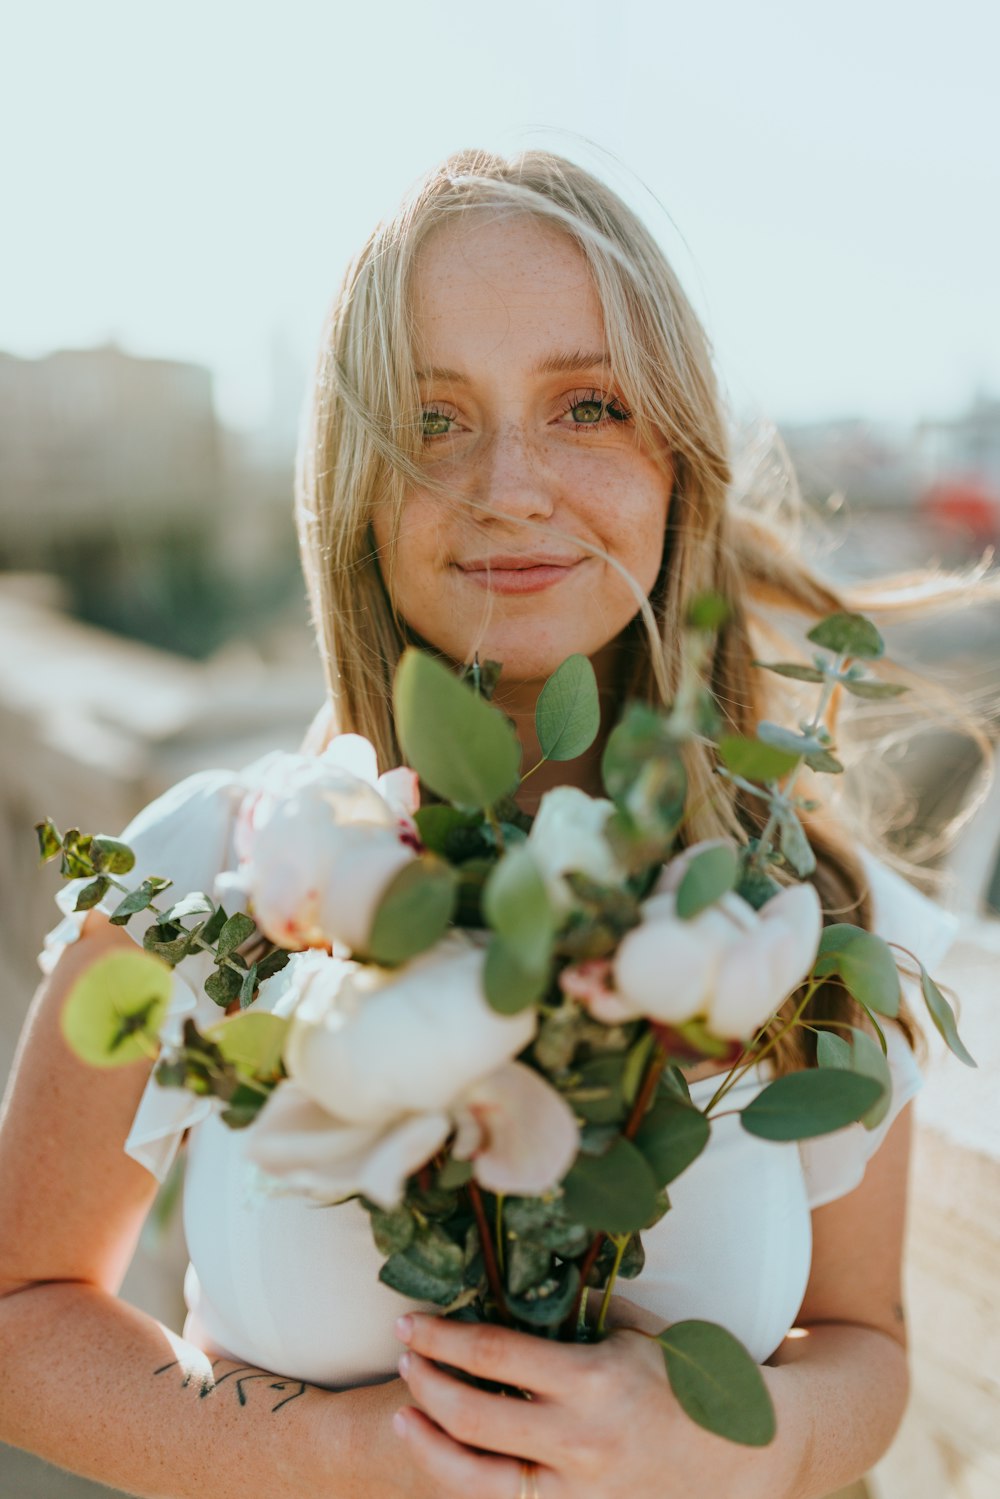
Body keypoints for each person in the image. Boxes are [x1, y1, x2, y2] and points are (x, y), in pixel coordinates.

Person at [0, 148, 991, 1499]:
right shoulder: (201, 875)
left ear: (676, 462)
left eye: (586, 404)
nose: (510, 485)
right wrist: (349, 1459)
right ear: (354, 475)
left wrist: (703, 1449)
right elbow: (21, 1313)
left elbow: (864, 1352)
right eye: (434, 417)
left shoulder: (796, 912)